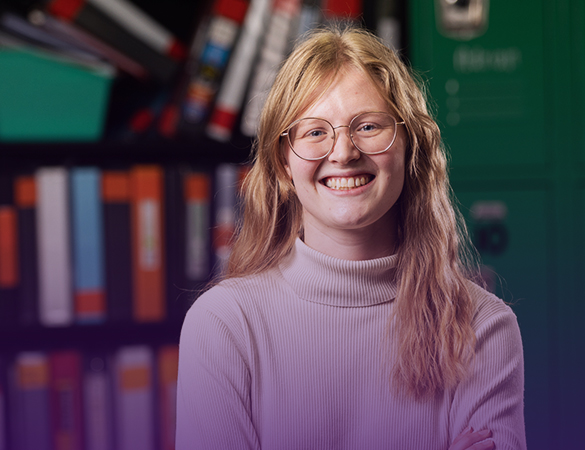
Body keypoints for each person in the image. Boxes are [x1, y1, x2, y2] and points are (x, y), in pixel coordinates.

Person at [176, 26, 525, 450]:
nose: (343, 153)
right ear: (284, 163)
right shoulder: (223, 326)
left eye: (368, 126)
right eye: (315, 132)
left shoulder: (483, 327)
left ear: (409, 147)